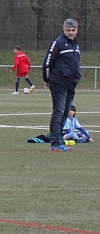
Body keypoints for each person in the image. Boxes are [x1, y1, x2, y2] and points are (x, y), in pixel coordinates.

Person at [43, 18, 82, 152]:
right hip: (58, 82)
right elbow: (47, 62)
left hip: (71, 83)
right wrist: (47, 79)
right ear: (64, 30)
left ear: (77, 30)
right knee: (58, 111)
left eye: (73, 30)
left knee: (65, 112)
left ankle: (59, 140)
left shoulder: (76, 45)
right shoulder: (58, 43)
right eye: (68, 30)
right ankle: (55, 143)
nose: (71, 32)